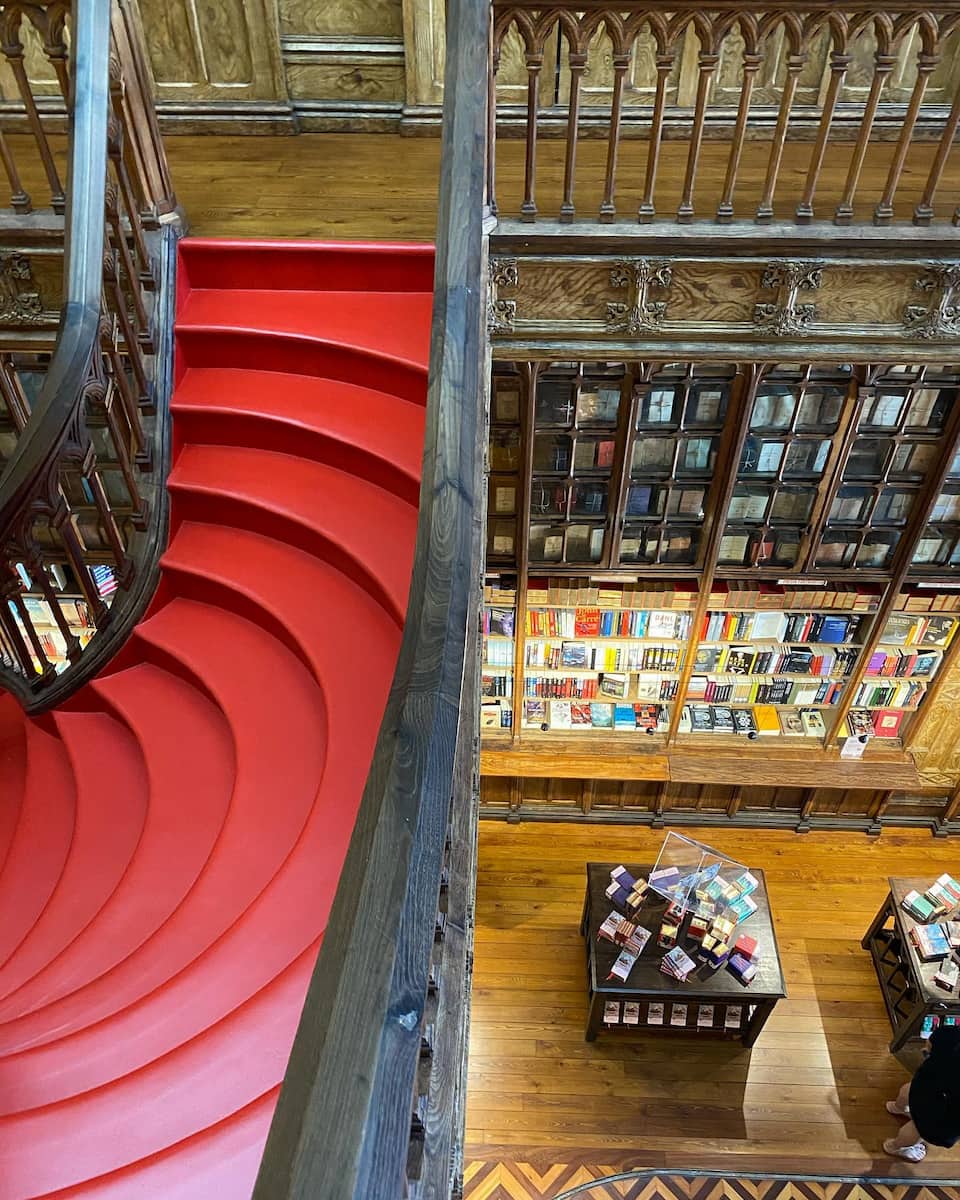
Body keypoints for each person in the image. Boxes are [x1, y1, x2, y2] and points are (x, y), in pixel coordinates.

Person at [885, 1023, 960, 1161]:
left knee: (910, 1089)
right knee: (918, 1129)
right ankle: (895, 1147)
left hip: (925, 1081)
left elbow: (936, 1042)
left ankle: (897, 1107)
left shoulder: (945, 1043)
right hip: (941, 1109)